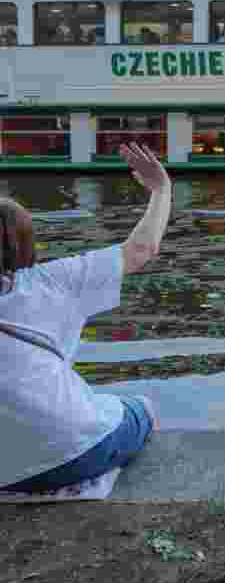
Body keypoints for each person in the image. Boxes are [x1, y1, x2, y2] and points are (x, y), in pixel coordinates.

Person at [0, 144, 171, 494]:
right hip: (73, 453)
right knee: (139, 407)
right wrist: (161, 189)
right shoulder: (52, 281)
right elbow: (142, 248)